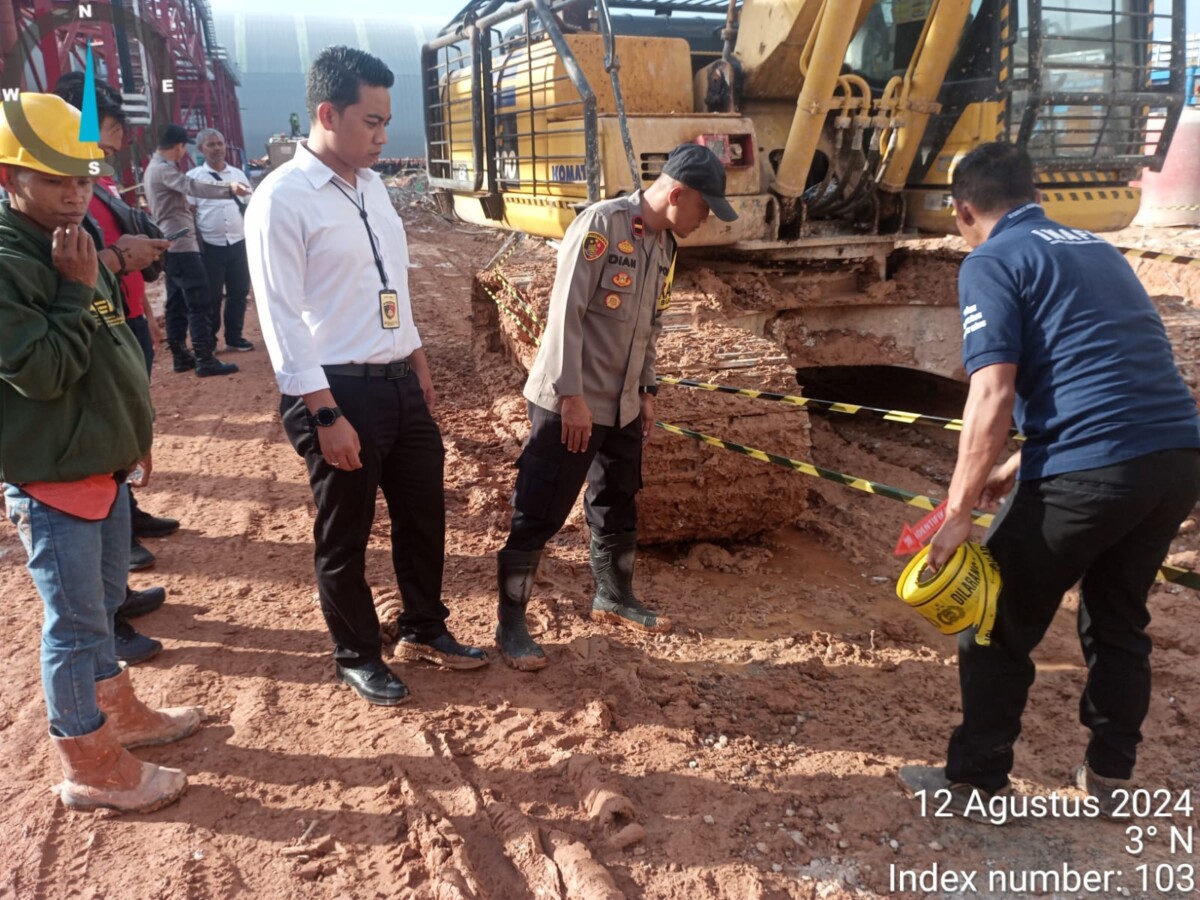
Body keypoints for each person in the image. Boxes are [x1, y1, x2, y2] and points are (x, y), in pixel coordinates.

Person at [901, 142, 1200, 821]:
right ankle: (1111, 781)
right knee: (1119, 622)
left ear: (963, 210)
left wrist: (955, 516)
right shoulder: (1095, 249)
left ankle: (976, 785)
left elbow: (992, 395)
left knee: (994, 619)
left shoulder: (991, 260)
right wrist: (1016, 465)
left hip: (1093, 465)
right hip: (1175, 458)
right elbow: (1101, 364)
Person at [246, 46, 487, 707]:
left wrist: (417, 362)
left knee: (423, 514)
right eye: (372, 122)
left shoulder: (373, 187)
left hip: (398, 384)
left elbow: (392, 289)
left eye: (387, 122)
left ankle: (423, 626)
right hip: (335, 389)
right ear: (328, 113)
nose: (384, 136)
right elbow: (280, 320)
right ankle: (356, 653)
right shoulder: (282, 201)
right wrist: (324, 414)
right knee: (345, 531)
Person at [0, 93, 202, 813]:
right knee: (75, 623)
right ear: (9, 176)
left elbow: (110, 345)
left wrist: (130, 439)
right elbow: (44, 370)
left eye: (82, 179)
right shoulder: (12, 259)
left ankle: (120, 713)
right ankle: (89, 763)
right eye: (55, 180)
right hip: (53, 476)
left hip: (100, 462)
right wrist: (79, 286)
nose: (73, 194)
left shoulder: (74, 235)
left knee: (108, 600)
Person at [495, 143, 738, 670]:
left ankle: (614, 596)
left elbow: (649, 325)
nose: (706, 220)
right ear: (676, 194)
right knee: (540, 508)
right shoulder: (601, 226)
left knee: (617, 499)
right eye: (703, 208)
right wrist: (573, 398)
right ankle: (511, 624)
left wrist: (647, 391)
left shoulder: (666, 246)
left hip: (624, 403)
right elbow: (565, 315)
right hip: (573, 401)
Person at [52, 72, 177, 657]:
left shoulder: (94, 185)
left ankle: (118, 581)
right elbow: (67, 274)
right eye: (105, 130)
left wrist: (144, 312)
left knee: (125, 434)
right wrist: (115, 258)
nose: (112, 142)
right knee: (99, 450)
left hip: (118, 318)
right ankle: (106, 622)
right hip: (88, 331)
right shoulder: (53, 197)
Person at [143, 124, 250, 377]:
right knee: (200, 301)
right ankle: (205, 357)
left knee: (178, 302)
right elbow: (192, 188)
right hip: (182, 244)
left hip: (176, 243)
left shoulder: (154, 168)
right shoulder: (163, 169)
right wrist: (228, 190)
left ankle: (181, 356)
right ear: (179, 146)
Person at [187, 128, 255, 353]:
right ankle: (210, 340)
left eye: (219, 144)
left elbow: (250, 204)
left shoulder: (238, 175)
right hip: (210, 244)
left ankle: (234, 337)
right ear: (201, 149)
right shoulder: (195, 178)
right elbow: (190, 210)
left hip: (238, 242)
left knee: (238, 292)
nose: (217, 148)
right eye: (211, 145)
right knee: (212, 295)